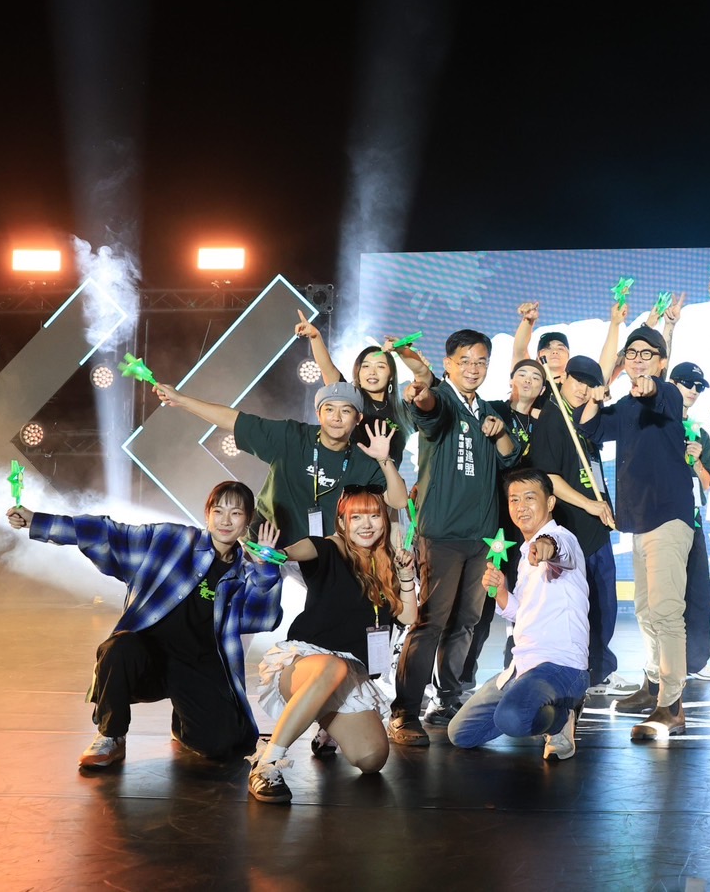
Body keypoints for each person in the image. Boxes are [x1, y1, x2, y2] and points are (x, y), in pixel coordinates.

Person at [5, 482, 282, 769]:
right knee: (119, 647)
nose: (225, 521)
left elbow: (263, 618)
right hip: (148, 660)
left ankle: (185, 723)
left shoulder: (244, 573)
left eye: (235, 513)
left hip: (197, 666)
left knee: (222, 745)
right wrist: (38, 521)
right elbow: (107, 532)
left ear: (247, 521)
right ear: (207, 514)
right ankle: (111, 736)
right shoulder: (171, 540)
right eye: (218, 511)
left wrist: (266, 569)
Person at [389, 328, 522, 745]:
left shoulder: (490, 410)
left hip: (483, 538)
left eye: (481, 361)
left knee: (467, 622)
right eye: (465, 361)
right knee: (430, 622)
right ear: (448, 364)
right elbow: (425, 404)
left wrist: (500, 432)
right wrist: (420, 389)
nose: (473, 368)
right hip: (441, 534)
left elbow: (510, 458)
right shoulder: (443, 399)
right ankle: (405, 711)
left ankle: (447, 698)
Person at [246, 486, 419, 803]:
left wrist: (406, 575)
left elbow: (407, 616)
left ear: (384, 521)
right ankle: (267, 762)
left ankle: (325, 722)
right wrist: (274, 554)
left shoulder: (386, 564)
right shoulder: (327, 548)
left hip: (349, 674)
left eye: (374, 516)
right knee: (332, 667)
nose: (366, 524)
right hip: (305, 664)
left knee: (372, 759)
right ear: (342, 522)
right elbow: (297, 551)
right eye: (356, 517)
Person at [578, 324, 697, 741]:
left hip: (668, 516)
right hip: (641, 522)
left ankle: (672, 705)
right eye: (632, 353)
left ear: (662, 362)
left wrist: (650, 385)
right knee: (646, 612)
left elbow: (656, 393)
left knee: (666, 613)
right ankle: (654, 684)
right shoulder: (626, 405)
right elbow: (592, 429)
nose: (639, 360)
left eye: (648, 354)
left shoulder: (668, 394)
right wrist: (595, 398)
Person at [154, 380, 408, 543]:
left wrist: (384, 460)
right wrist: (182, 400)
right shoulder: (291, 436)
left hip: (322, 554)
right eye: (329, 409)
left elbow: (397, 501)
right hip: (265, 542)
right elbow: (234, 420)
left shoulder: (363, 458)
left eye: (346, 410)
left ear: (358, 418)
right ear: (318, 413)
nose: (336, 418)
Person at [449, 469, 590, 761]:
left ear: (550, 502)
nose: (521, 506)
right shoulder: (525, 554)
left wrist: (545, 547)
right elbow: (521, 613)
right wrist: (501, 591)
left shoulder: (562, 538)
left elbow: (557, 549)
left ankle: (561, 717)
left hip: (560, 666)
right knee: (460, 734)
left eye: (529, 498)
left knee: (513, 719)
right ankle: (522, 697)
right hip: (522, 667)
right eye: (514, 500)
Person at [530, 354, 621, 695]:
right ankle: (584, 670)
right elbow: (549, 478)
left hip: (598, 524)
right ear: (564, 377)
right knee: (582, 604)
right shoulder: (553, 417)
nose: (583, 389)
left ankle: (600, 668)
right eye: (578, 381)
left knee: (605, 602)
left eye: (589, 385)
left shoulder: (583, 418)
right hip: (574, 527)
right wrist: (589, 504)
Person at [459, 358, 546, 692]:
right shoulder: (493, 410)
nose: (528, 380)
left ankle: (519, 669)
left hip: (527, 524)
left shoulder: (545, 422)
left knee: (526, 598)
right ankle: (461, 677)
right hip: (493, 520)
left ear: (543, 387)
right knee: (484, 597)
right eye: (522, 373)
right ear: (511, 379)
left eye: (536, 376)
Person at [294, 311, 416, 461]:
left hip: (388, 476)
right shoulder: (350, 400)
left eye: (380, 366)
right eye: (365, 366)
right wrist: (315, 337)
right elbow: (328, 369)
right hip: (349, 474)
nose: (372, 372)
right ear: (358, 372)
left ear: (391, 374)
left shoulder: (404, 411)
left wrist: (411, 357)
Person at [671, 359, 710, 682]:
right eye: (688, 383)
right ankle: (664, 662)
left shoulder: (700, 432)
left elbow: (707, 482)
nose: (693, 391)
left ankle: (697, 661)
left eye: (699, 387)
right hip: (662, 518)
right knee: (667, 594)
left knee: (699, 592)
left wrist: (696, 461)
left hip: (693, 520)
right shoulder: (658, 425)